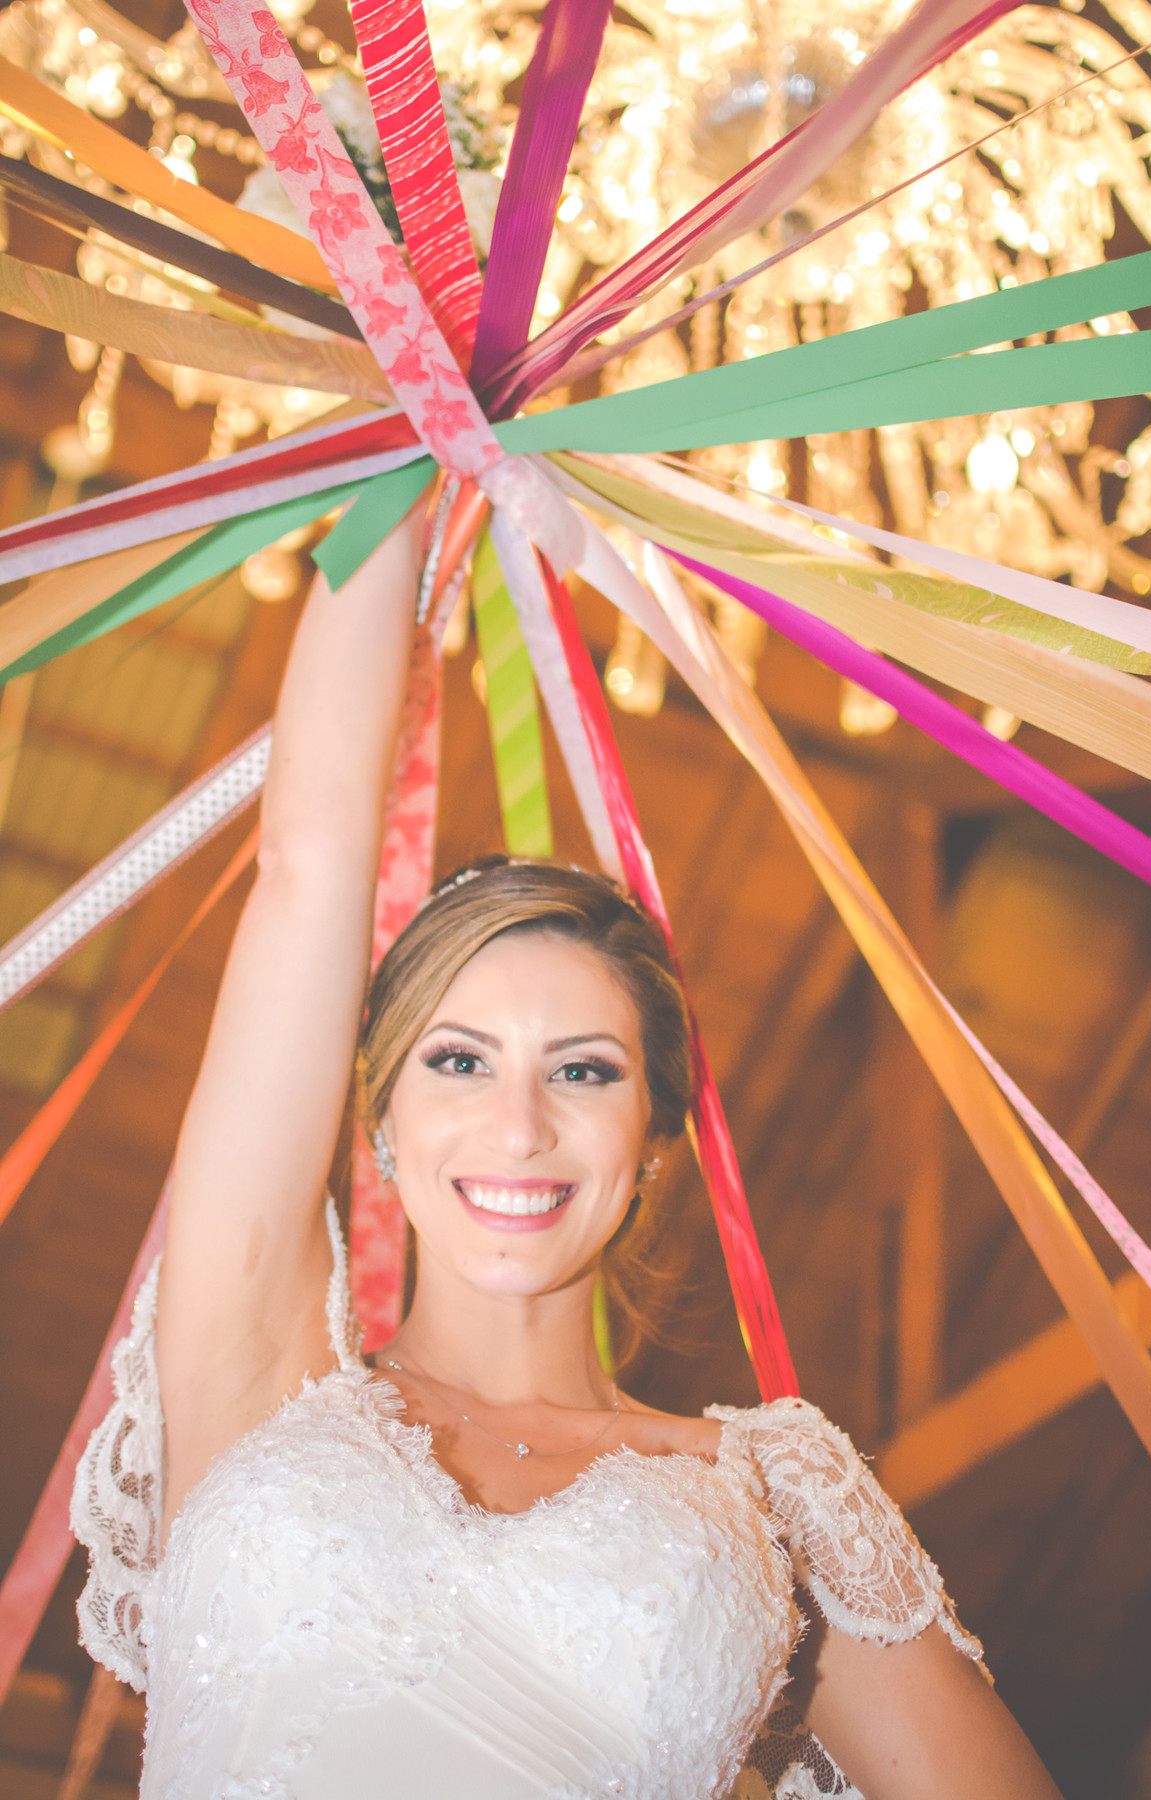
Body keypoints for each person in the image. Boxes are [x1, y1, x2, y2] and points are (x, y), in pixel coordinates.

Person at [72, 506, 1063, 1800]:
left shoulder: (775, 1499)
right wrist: (410, 457)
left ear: (654, 1141)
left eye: (583, 1071)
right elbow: (308, 860)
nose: (519, 1125)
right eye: (459, 1060)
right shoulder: (257, 1373)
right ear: (380, 1117)